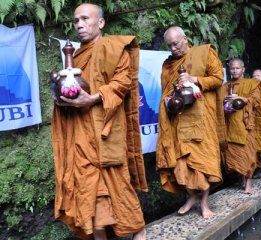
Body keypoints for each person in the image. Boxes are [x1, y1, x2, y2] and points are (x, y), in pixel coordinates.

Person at [51, 3, 147, 240]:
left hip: (106, 132)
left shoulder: (114, 48)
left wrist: (93, 98)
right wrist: (61, 96)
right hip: (80, 136)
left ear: (101, 22)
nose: (79, 25)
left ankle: (140, 233)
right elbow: (68, 88)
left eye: (85, 19)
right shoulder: (75, 56)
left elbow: (122, 83)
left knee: (118, 187)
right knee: (88, 192)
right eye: (76, 21)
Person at [156, 26, 226, 218]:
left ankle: (204, 204)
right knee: (180, 162)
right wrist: (169, 101)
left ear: (185, 39)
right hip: (178, 120)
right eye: (169, 45)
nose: (173, 49)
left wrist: (194, 79)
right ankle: (191, 196)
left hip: (201, 118)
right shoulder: (168, 64)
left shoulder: (204, 53)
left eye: (176, 44)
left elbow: (218, 78)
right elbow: (166, 91)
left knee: (203, 163)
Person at [221, 59, 261, 194]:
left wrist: (242, 98)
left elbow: (256, 101)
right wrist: (225, 100)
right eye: (232, 68)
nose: (234, 71)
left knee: (247, 154)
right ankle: (241, 178)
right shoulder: (224, 86)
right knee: (235, 155)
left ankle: (248, 183)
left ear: (243, 69)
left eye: (237, 68)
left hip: (244, 125)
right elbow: (217, 104)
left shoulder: (251, 83)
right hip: (230, 124)